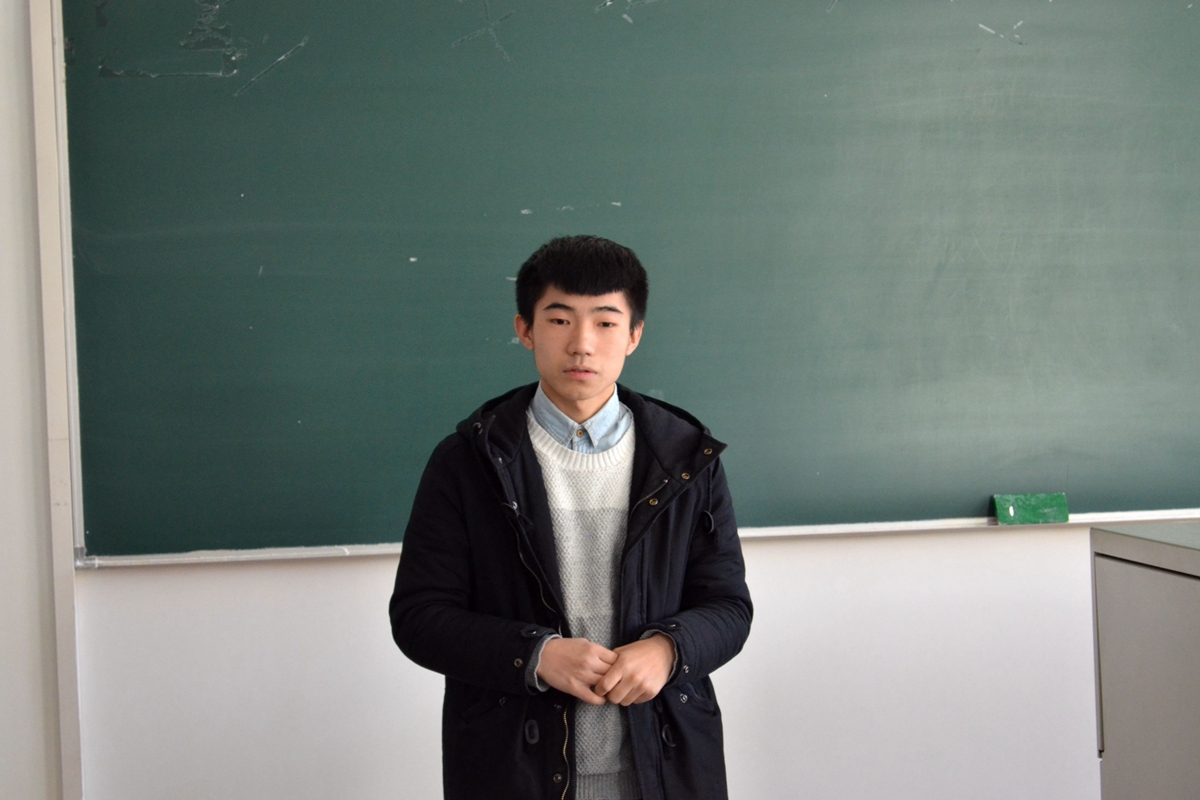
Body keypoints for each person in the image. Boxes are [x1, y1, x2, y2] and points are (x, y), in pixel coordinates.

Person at [389, 235, 752, 800]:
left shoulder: (684, 457)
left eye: (605, 322)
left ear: (633, 335)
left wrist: (668, 649)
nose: (582, 343)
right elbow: (419, 616)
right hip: (513, 772)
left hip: (663, 766)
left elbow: (729, 607)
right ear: (525, 329)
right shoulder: (468, 461)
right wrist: (535, 655)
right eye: (559, 320)